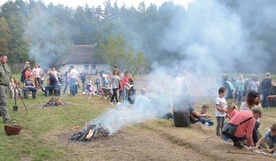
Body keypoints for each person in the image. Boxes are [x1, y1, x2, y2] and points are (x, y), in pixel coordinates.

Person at [0, 54, 15, 123]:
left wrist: (13, 83)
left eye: (6, 58)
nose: (6, 60)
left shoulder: (6, 66)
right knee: (4, 102)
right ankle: (6, 119)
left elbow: (11, 76)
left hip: (6, 86)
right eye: (5, 58)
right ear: (0, 58)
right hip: (1, 86)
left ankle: (1, 113)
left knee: (2, 102)